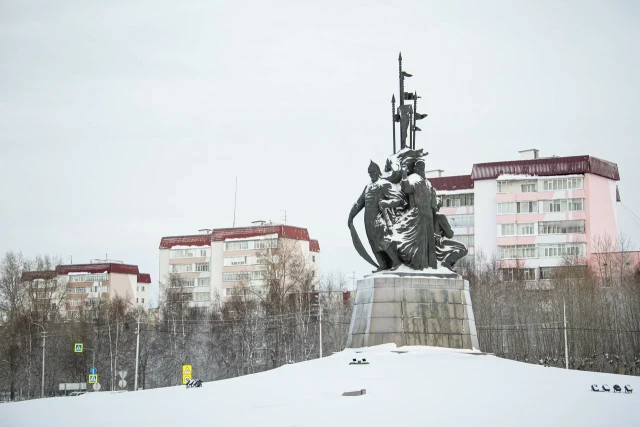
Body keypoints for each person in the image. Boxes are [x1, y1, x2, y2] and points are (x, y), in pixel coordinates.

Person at [348, 161, 403, 271]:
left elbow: (399, 200)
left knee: (383, 241)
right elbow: (359, 203)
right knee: (373, 243)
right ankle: (383, 264)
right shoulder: (368, 187)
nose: (371, 175)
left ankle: (396, 261)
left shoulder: (383, 184)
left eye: (373, 172)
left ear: (378, 172)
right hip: (368, 221)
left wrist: (386, 203)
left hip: (379, 219)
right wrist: (351, 216)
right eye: (370, 173)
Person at [395, 158, 437, 269]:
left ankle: (430, 265)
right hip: (417, 214)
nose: (421, 169)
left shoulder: (428, 183)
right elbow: (407, 188)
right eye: (419, 167)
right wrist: (404, 175)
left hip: (428, 215)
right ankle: (418, 264)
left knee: (429, 241)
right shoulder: (413, 178)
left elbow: (433, 199)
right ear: (416, 168)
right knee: (418, 242)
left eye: (423, 167)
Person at [434, 198, 468, 270]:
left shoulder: (424, 216)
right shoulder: (440, 216)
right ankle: (446, 263)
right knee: (463, 248)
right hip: (437, 243)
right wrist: (443, 232)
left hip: (428, 243)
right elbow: (449, 234)